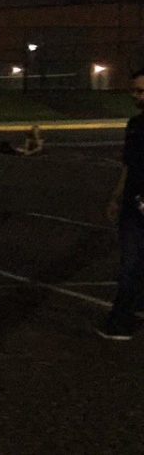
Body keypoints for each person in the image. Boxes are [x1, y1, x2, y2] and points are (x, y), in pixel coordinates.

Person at [98, 70, 144, 341]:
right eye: (135, 90)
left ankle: (120, 321)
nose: (136, 96)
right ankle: (128, 312)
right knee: (130, 260)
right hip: (133, 202)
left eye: (141, 91)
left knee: (131, 262)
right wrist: (116, 196)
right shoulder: (135, 124)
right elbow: (128, 164)